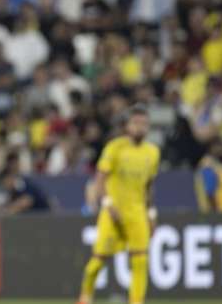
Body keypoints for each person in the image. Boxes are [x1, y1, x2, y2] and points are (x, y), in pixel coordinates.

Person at [77, 105, 160, 304]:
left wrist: (151, 214)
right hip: (113, 211)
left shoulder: (153, 152)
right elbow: (100, 178)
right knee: (96, 262)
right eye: (136, 123)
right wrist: (107, 203)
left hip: (137, 212)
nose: (140, 127)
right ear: (127, 126)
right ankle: (85, 297)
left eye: (144, 124)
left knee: (140, 260)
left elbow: (149, 185)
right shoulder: (115, 148)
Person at [194, 139, 222, 214]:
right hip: (220, 212)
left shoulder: (216, 164)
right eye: (220, 146)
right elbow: (210, 190)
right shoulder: (207, 165)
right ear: (212, 147)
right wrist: (215, 214)